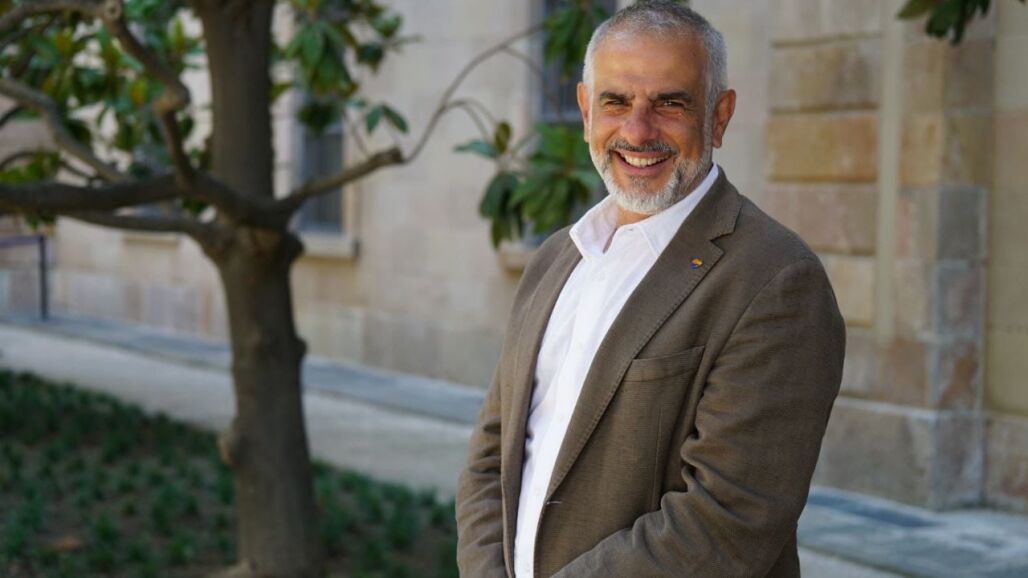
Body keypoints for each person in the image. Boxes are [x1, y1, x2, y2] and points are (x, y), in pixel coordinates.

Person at [455, 2, 846, 577]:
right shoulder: (556, 258)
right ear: (586, 110)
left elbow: (728, 521)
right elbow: (493, 456)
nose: (637, 130)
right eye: (616, 101)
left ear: (719, 116)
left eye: (669, 104)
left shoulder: (777, 281)